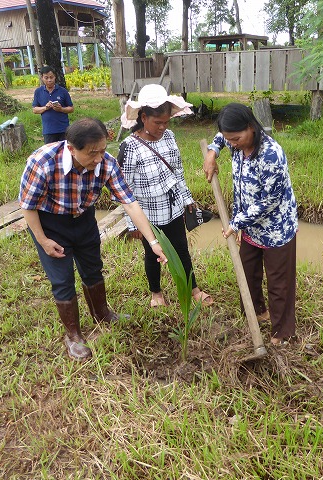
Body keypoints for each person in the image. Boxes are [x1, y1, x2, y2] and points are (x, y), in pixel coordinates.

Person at [19, 117, 167, 361]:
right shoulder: (43, 162)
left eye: (102, 150)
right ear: (71, 149)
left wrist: (153, 242)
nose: (98, 159)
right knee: (62, 279)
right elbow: (28, 206)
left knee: (93, 269)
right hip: (50, 223)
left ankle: (101, 313)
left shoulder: (106, 163)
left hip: (84, 219)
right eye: (91, 153)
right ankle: (73, 335)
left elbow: (129, 203)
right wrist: (43, 240)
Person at [203, 103, 298, 346]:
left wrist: (236, 223)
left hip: (276, 228)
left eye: (236, 138)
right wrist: (213, 152)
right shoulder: (235, 141)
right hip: (250, 227)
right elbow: (220, 137)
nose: (232, 143)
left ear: (250, 127)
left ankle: (282, 332)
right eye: (229, 139)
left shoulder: (271, 154)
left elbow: (269, 200)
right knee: (248, 272)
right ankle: (258, 311)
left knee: (279, 283)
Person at [119, 84, 213, 307]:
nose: (163, 127)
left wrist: (187, 198)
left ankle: (194, 289)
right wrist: (132, 225)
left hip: (172, 209)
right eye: (157, 122)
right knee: (152, 255)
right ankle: (156, 293)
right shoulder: (130, 147)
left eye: (166, 122)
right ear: (143, 117)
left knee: (182, 249)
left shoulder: (169, 137)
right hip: (147, 216)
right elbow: (124, 191)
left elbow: (178, 172)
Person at [32, 65, 74, 144]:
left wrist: (61, 109)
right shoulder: (38, 92)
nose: (49, 80)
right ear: (42, 78)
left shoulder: (63, 91)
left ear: (55, 77)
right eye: (46, 78)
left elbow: (71, 108)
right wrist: (45, 108)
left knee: (65, 152)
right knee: (50, 154)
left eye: (51, 77)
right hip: (48, 130)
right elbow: (34, 110)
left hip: (63, 129)